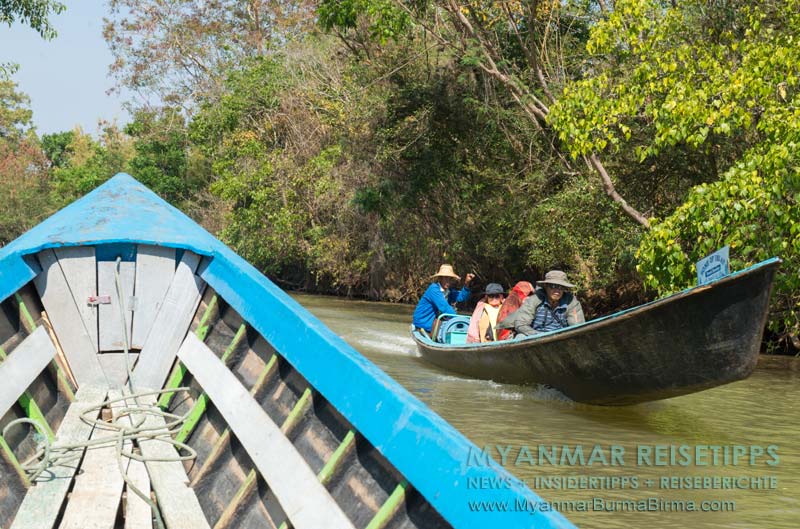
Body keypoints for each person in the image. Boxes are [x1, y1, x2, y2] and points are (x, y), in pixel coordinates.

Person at [498, 270, 584, 337]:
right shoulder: (533, 301)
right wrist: (539, 336)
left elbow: (577, 328)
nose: (557, 290)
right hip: (534, 336)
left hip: (561, 338)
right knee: (520, 337)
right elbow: (521, 324)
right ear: (546, 287)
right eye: (553, 286)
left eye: (560, 287)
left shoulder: (571, 302)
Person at [412, 264, 475, 334]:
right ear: (440, 278)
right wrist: (458, 319)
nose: (448, 281)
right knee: (441, 323)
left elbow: (462, 297)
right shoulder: (433, 289)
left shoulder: (449, 291)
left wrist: (467, 284)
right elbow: (444, 307)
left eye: (450, 279)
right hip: (423, 323)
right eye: (446, 278)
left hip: (436, 322)